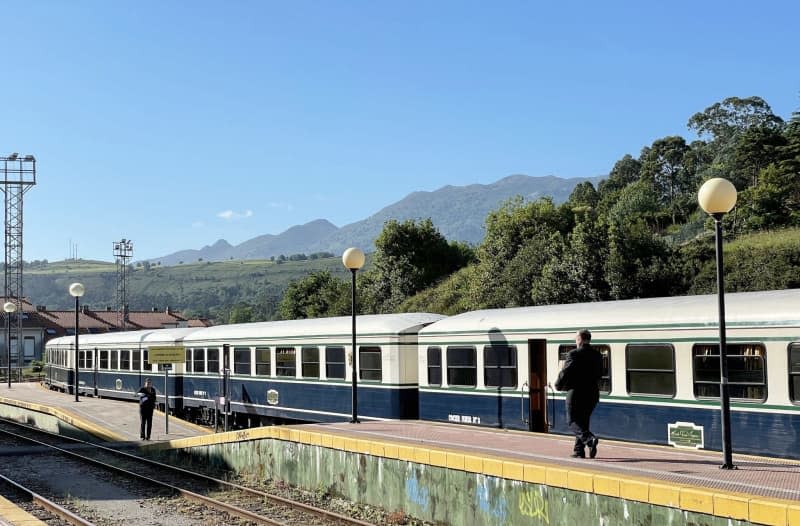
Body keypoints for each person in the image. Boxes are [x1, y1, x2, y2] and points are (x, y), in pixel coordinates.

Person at [554, 329, 603, 458]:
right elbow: (600, 374)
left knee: (572, 421)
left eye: (576, 337)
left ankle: (589, 440)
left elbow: (565, 372)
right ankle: (579, 451)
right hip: (592, 394)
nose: (575, 340)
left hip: (576, 393)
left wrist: (558, 385)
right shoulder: (597, 355)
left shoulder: (573, 354)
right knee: (583, 421)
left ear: (580, 339)